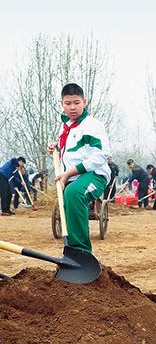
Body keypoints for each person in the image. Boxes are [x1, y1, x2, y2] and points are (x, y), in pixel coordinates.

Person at [46, 83, 111, 254]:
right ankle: (72, 251)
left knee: (73, 193)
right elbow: (73, 152)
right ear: (61, 103)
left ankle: (81, 253)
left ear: (85, 101)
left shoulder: (92, 125)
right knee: (68, 198)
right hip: (74, 177)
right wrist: (57, 148)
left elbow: (100, 155)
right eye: (68, 103)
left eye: (77, 102)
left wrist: (68, 173)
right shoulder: (65, 127)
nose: (72, 107)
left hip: (94, 175)